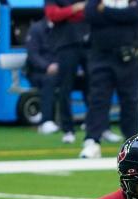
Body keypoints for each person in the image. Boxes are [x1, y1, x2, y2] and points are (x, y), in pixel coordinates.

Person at [78, 0, 138, 159]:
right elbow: (91, 14)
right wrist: (122, 16)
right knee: (98, 99)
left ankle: (132, 142)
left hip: (129, 57)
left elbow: (137, 14)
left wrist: (106, 12)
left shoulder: (133, 2)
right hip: (101, 56)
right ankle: (92, 140)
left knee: (130, 100)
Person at [46, 0, 90, 144]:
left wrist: (68, 12)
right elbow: (52, 15)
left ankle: (100, 127)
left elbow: (91, 11)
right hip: (66, 44)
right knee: (65, 87)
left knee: (95, 87)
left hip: (89, 41)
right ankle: (68, 129)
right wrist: (74, 9)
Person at [25, 18, 62, 135]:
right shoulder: (36, 29)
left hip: (61, 71)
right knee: (49, 81)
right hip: (38, 72)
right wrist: (47, 67)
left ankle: (92, 121)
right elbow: (32, 54)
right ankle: (46, 121)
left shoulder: (64, 28)